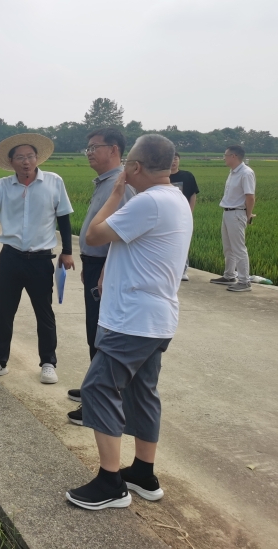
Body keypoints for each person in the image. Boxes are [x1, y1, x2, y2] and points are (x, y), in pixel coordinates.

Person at [66, 134, 192, 510]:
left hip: (132, 320)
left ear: (134, 167)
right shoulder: (175, 199)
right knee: (142, 392)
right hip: (156, 318)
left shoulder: (148, 201)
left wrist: (116, 193)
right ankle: (142, 473)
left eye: (126, 165)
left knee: (98, 388)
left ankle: (110, 484)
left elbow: (93, 235)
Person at [0, 133, 74, 384]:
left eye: (30, 156)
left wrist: (68, 251)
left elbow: (63, 217)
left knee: (44, 313)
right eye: (20, 157)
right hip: (11, 258)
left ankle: (48, 363)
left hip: (40, 260)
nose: (26, 161)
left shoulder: (54, 181)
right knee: (5, 312)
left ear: (37, 158)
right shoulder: (4, 185)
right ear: (11, 162)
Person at [67, 128, 134, 426]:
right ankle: (93, 388)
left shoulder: (121, 185)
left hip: (108, 270)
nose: (90, 153)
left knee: (103, 337)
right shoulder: (106, 182)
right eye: (89, 148)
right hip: (96, 265)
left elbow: (124, 235)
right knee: (93, 332)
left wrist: (106, 267)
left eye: (95, 147)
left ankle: (97, 403)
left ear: (114, 150)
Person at [209, 145, 256, 292]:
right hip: (228, 212)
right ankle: (229, 275)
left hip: (237, 213)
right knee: (228, 247)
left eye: (226, 155)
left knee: (239, 249)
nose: (224, 158)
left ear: (233, 156)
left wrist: (247, 215)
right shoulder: (233, 172)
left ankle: (244, 281)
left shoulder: (246, 173)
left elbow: (250, 196)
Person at [169, 152, 200, 281]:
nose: (173, 161)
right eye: (171, 159)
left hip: (182, 216)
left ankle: (182, 270)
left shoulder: (187, 176)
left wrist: (189, 212)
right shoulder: (162, 177)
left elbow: (193, 195)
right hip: (167, 215)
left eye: (176, 159)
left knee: (182, 242)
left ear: (179, 160)